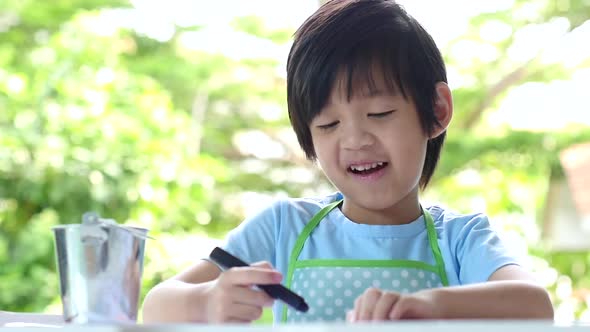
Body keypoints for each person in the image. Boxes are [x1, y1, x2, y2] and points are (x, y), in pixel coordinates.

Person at [141, 0, 553, 324]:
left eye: (380, 114)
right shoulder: (284, 227)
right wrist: (208, 301)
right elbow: (157, 305)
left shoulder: (460, 239)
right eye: (329, 123)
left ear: (436, 110)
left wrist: (431, 307)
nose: (355, 138)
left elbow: (535, 306)